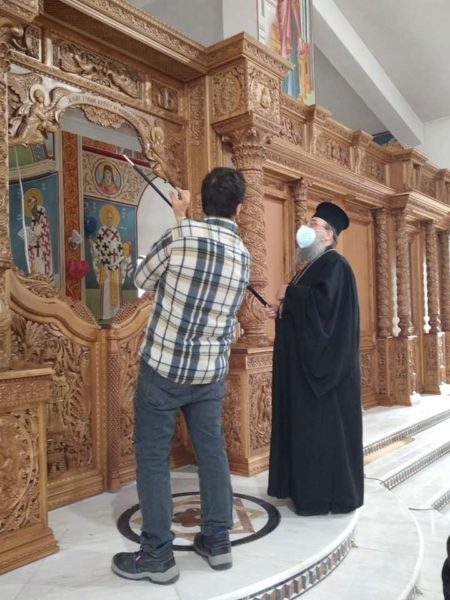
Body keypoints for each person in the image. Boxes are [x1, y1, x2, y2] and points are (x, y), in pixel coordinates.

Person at [111, 167, 250, 584]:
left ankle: (157, 555)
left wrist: (179, 218)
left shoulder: (181, 235)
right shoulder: (243, 254)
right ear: (239, 209)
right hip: (209, 373)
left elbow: (140, 278)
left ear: (201, 203)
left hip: (163, 368)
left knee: (153, 457)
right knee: (212, 452)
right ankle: (218, 541)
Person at [265, 201, 363, 516]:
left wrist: (290, 294)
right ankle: (301, 489)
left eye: (314, 224)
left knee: (321, 435)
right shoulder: (311, 265)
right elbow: (307, 314)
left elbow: (327, 314)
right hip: (303, 369)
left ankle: (322, 497)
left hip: (324, 375)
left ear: (328, 235)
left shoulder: (336, 265)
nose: (306, 228)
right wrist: (283, 310)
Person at [89, 205, 124, 320]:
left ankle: (117, 314)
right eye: (108, 218)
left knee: (116, 288)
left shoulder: (116, 232)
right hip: (105, 266)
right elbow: (98, 247)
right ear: (105, 219)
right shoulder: (102, 231)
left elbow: (120, 249)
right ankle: (105, 314)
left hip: (116, 265)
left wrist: (117, 261)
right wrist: (92, 245)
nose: (109, 220)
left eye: (111, 218)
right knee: (106, 288)